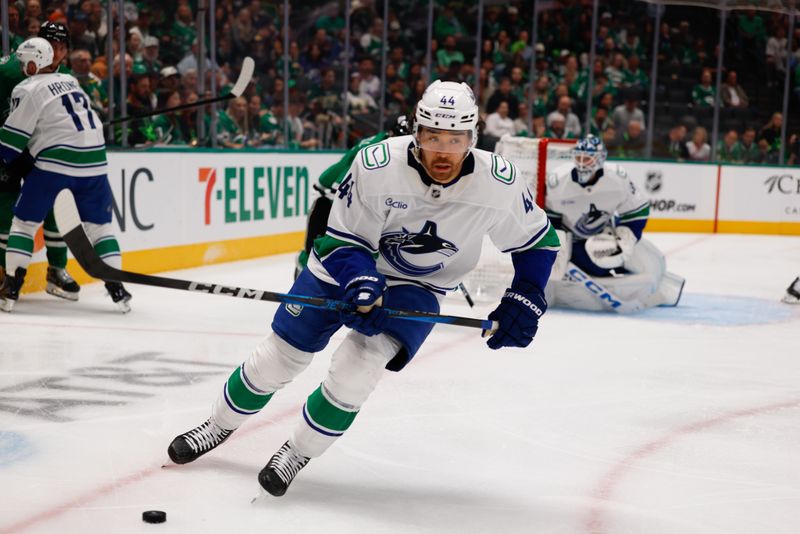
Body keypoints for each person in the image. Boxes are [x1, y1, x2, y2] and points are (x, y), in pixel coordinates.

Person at [167, 80, 560, 497]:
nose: (443, 151)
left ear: (472, 138)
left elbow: (538, 243)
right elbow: (340, 238)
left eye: (455, 139)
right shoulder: (376, 163)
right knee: (279, 358)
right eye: (432, 137)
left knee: (357, 371)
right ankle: (216, 426)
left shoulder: (499, 182)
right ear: (416, 132)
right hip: (346, 267)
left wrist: (527, 296)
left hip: (420, 283)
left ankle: (298, 451)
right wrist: (359, 280)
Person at [0, 38, 132, 312]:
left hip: (56, 163)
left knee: (24, 224)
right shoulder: (71, 81)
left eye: (24, 63)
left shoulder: (27, 87)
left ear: (35, 62)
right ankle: (116, 287)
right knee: (100, 228)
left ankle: (11, 287)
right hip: (96, 161)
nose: (23, 68)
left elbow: (10, 147)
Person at [544, 135, 684, 312]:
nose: (581, 163)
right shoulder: (558, 181)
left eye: (587, 158)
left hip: (607, 233)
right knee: (593, 264)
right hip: (574, 242)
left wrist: (626, 238)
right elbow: (549, 218)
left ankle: (651, 289)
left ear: (600, 159)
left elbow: (637, 210)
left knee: (649, 264)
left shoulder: (618, 178)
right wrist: (559, 247)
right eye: (578, 157)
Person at [0, 21, 80, 300]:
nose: (56, 53)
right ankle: (8, 275)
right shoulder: (9, 69)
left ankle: (56, 270)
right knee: (6, 211)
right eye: (51, 45)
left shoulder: (67, 77)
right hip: (7, 148)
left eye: (61, 47)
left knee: (55, 208)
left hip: (41, 152)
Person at [294, 115, 410, 278]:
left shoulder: (385, 143)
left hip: (337, 194)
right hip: (327, 197)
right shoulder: (377, 150)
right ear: (391, 134)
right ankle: (302, 278)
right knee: (319, 248)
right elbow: (342, 185)